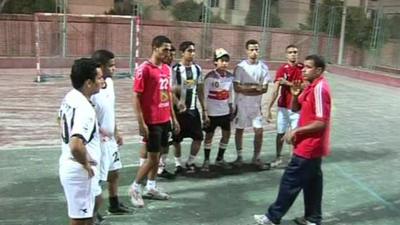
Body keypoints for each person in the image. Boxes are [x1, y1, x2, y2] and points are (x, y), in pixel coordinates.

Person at [254, 55, 332, 225]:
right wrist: (295, 95)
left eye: (309, 67)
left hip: (309, 146)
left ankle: (272, 217)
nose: (303, 69)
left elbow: (321, 122)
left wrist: (297, 130)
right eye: (304, 67)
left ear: (318, 71)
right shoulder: (310, 86)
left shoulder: (320, 89)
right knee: (312, 183)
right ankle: (313, 218)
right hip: (310, 146)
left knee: (290, 180)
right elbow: (296, 108)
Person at [129, 35, 180, 208]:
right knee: (152, 158)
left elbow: (168, 94)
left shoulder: (166, 69)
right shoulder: (144, 69)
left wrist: (173, 118)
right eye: (165, 49)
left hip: (165, 119)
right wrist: (141, 123)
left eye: (169, 49)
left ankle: (151, 187)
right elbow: (136, 97)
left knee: (158, 157)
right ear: (154, 48)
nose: (168, 52)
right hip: (151, 121)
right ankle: (135, 187)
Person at [58, 58, 104, 225]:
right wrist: (85, 163)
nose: (102, 81)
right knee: (80, 220)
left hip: (70, 163)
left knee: (97, 200)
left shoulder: (70, 97)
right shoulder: (85, 109)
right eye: (99, 78)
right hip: (79, 171)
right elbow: (76, 145)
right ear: (88, 83)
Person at [90, 50, 131, 218]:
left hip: (111, 139)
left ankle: (114, 204)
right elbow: (90, 117)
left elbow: (110, 110)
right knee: (98, 178)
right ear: (100, 67)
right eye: (111, 66)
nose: (114, 69)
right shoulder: (91, 90)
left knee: (114, 172)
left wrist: (116, 130)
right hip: (98, 142)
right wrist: (100, 132)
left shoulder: (109, 83)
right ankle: (92, 212)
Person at [232, 39, 270, 170]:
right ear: (247, 51)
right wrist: (255, 87)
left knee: (259, 131)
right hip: (242, 104)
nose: (254, 52)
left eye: (256, 49)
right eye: (251, 49)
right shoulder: (240, 67)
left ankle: (256, 157)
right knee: (239, 129)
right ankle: (239, 156)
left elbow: (264, 88)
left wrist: (246, 88)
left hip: (255, 106)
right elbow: (237, 87)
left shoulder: (263, 67)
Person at [170, 41, 207, 174]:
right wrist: (177, 102)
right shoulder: (175, 70)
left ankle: (190, 162)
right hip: (179, 112)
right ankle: (178, 164)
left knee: (198, 137)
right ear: (182, 53)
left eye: (193, 51)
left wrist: (204, 110)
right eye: (189, 51)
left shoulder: (197, 69)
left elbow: (201, 90)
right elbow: (170, 91)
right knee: (176, 139)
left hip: (193, 110)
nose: (192, 54)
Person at [267, 44, 304, 168]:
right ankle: (278, 157)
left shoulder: (302, 69)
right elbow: (275, 90)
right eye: (290, 52)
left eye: (295, 52)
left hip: (296, 108)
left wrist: (287, 83)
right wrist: (268, 108)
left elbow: (305, 86)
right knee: (280, 133)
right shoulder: (282, 69)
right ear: (286, 54)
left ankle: (293, 159)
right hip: (283, 107)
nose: (293, 54)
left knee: (294, 135)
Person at [201, 48, 234, 172]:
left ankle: (220, 158)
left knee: (226, 135)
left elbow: (230, 94)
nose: (224, 63)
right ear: (215, 62)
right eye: (222, 60)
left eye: (226, 61)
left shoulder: (230, 77)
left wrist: (231, 108)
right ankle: (206, 160)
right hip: (212, 113)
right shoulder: (210, 77)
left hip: (225, 112)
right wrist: (205, 113)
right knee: (209, 136)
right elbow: (204, 95)